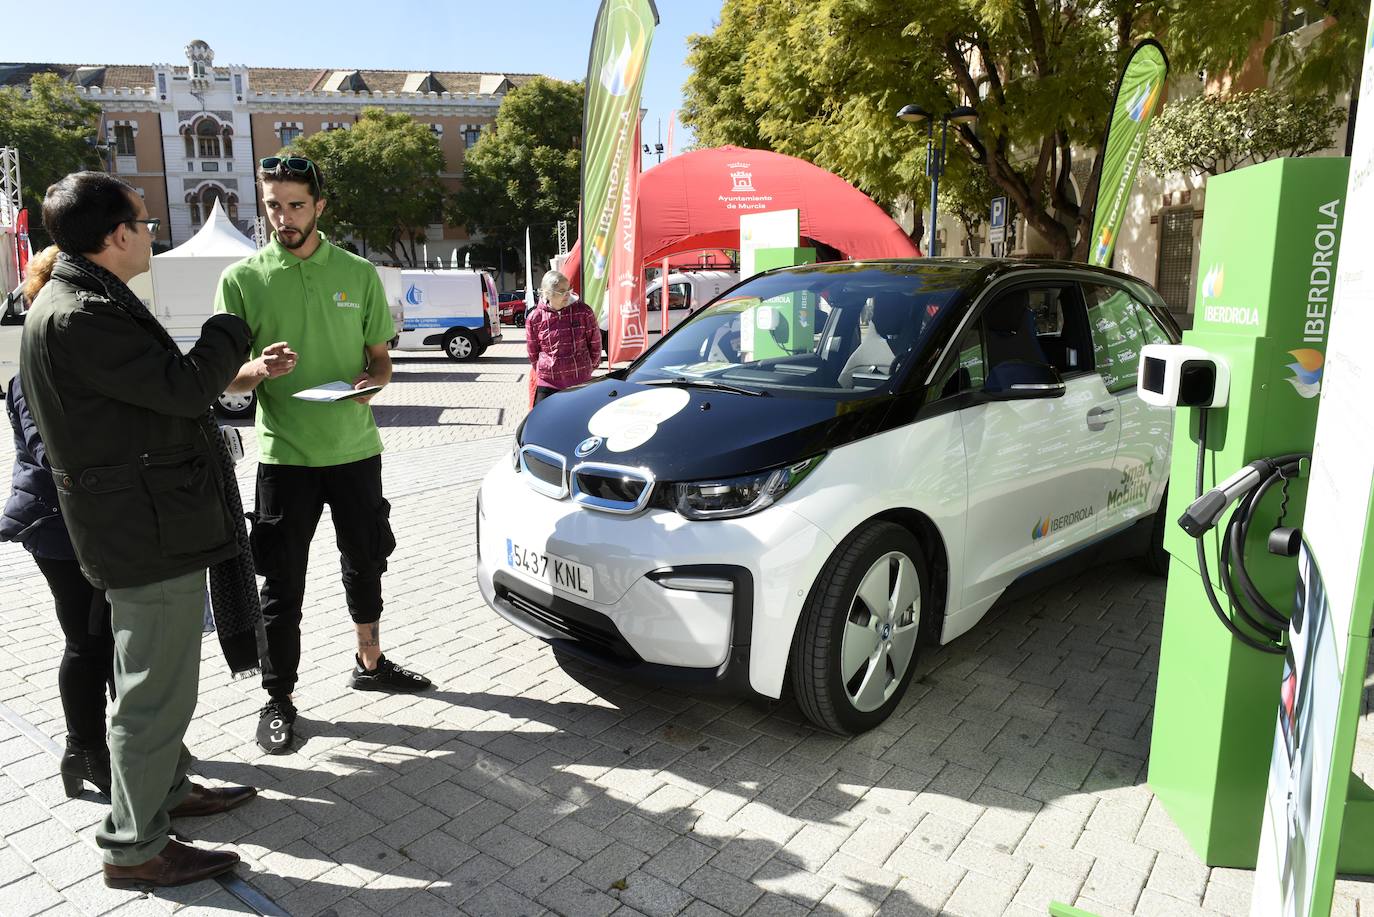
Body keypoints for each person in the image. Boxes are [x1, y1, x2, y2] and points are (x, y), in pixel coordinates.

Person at [20, 171, 263, 888]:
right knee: (152, 693)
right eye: (143, 217)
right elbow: (185, 386)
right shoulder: (82, 313)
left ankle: (163, 789)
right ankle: (134, 846)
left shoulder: (82, 299)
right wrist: (230, 325)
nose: (152, 226)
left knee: (150, 684)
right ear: (116, 235)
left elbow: (151, 399)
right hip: (144, 532)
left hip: (141, 523)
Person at [215, 155, 431, 757]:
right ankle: (278, 698)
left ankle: (371, 661)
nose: (282, 217)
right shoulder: (243, 278)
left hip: (356, 450)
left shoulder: (358, 273)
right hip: (284, 458)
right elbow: (222, 377)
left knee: (366, 562)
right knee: (281, 584)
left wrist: (370, 384)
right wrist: (257, 369)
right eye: (272, 205)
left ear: (320, 207)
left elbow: (381, 361)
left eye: (295, 205)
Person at [2, 246, 117, 799]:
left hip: (91, 520)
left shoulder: (74, 354)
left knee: (116, 633)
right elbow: (50, 449)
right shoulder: (35, 365)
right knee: (87, 638)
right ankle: (84, 753)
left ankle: (131, 740)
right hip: (58, 525)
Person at [526, 270, 600, 405]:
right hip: (548, 382)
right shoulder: (534, 318)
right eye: (561, 291)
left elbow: (595, 342)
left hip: (580, 379)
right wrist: (544, 369)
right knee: (543, 421)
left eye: (568, 289)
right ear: (547, 293)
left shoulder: (584, 311)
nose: (567, 294)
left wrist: (590, 366)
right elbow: (533, 352)